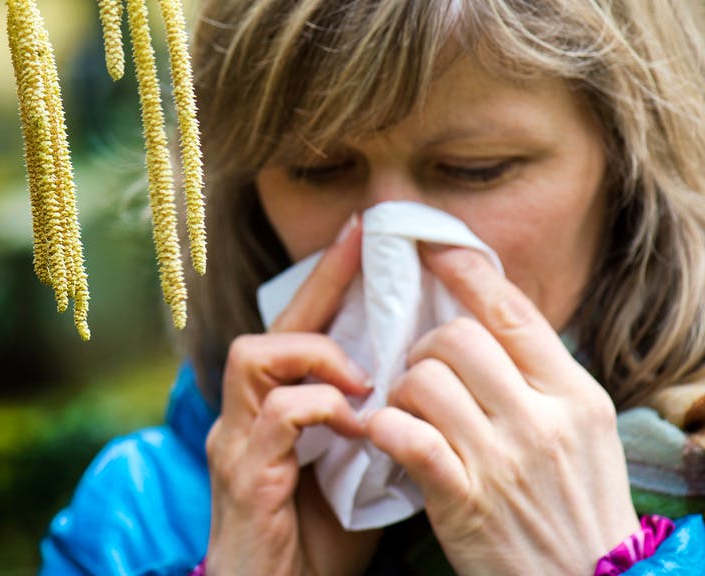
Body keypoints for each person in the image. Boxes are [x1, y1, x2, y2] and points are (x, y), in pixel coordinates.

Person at [40, 0, 705, 573]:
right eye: (317, 170)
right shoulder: (142, 525)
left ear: (625, 170)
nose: (389, 241)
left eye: (476, 170)